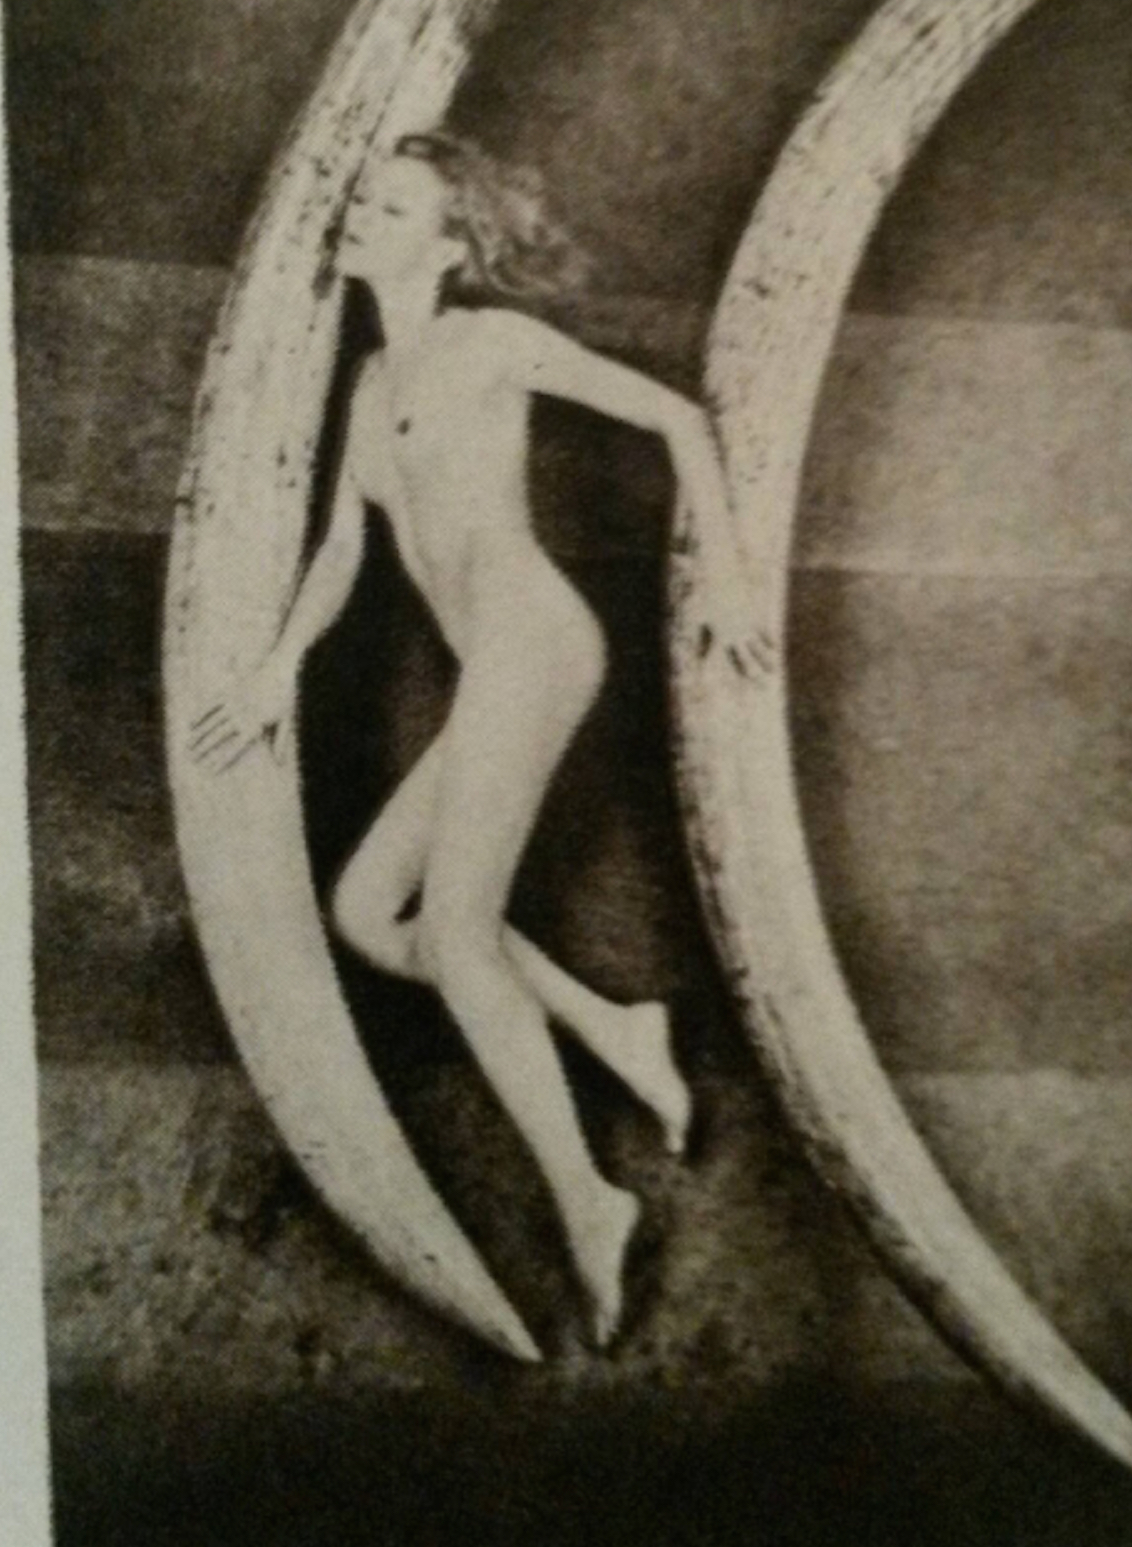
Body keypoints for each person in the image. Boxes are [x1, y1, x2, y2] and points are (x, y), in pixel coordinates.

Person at [190, 129, 773, 1347]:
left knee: (455, 934)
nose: (360, 214)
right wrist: (275, 669)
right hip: (489, 667)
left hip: (534, 641)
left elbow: (674, 417)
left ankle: (588, 1201)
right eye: (363, 199)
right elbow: (343, 549)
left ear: (451, 244)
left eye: (392, 207)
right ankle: (616, 1027)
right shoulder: (368, 384)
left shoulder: (489, 344)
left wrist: (724, 577)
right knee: (366, 913)